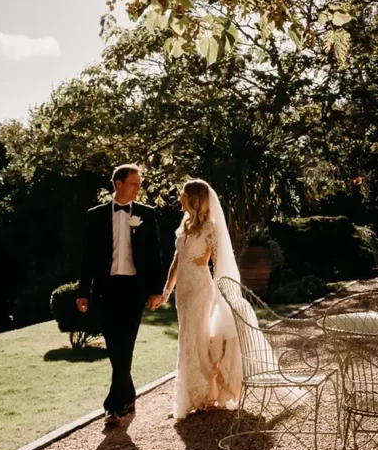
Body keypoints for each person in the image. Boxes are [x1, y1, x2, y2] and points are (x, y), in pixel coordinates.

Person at [76, 164, 166, 426]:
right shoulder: (96, 215)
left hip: (134, 289)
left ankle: (113, 406)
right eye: (133, 184)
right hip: (106, 289)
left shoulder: (146, 214)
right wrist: (83, 292)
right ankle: (127, 394)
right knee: (115, 345)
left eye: (139, 184)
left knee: (125, 343)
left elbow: (155, 255)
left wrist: (155, 290)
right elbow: (88, 257)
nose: (138, 189)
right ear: (118, 184)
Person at [160, 179, 249, 419]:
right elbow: (177, 261)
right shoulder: (185, 225)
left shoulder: (211, 227)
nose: (180, 199)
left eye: (184, 195)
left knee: (195, 337)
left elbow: (221, 261)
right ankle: (194, 393)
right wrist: (167, 290)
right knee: (187, 337)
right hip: (183, 291)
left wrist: (227, 294)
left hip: (200, 287)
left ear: (195, 199)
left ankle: (201, 395)